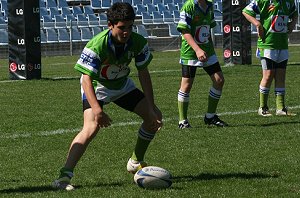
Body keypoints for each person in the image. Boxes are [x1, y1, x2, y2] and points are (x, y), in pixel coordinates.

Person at [52, 2, 162, 190]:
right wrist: (97, 110)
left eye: (129, 27)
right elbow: (86, 80)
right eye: (121, 27)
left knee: (155, 118)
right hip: (97, 86)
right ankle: (63, 178)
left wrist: (151, 107)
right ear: (110, 25)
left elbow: (143, 73)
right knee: (91, 127)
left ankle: (136, 161)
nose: (126, 32)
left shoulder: (138, 41)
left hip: (122, 85)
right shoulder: (97, 45)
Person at [176, 0, 228, 128]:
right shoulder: (189, 6)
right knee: (187, 85)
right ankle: (183, 121)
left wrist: (209, 49)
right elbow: (185, 31)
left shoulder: (210, 6)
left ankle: (210, 117)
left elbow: (208, 28)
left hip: (207, 51)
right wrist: (197, 50)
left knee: (219, 80)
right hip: (190, 52)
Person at [243, 0, 298, 116]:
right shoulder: (263, 1)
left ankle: (280, 108)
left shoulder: (289, 1)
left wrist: (293, 23)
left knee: (281, 76)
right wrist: (257, 24)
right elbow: (246, 11)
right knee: (268, 75)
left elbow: (295, 13)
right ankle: (262, 107)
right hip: (267, 44)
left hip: (282, 44)